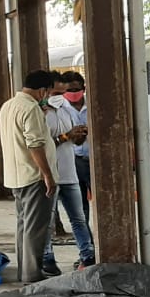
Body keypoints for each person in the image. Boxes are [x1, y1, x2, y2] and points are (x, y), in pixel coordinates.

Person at [0, 70, 58, 282]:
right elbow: (35, 144)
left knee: (23, 225)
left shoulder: (8, 105)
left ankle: (25, 271)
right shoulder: (30, 108)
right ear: (43, 90)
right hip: (34, 177)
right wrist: (47, 175)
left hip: (16, 176)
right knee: (36, 228)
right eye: (49, 93)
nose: (47, 97)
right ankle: (33, 274)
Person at [44, 71, 95, 270]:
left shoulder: (64, 108)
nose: (67, 95)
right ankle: (47, 258)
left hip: (70, 172)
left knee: (79, 217)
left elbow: (75, 139)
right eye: (61, 92)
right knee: (47, 219)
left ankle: (87, 255)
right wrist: (66, 136)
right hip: (51, 172)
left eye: (72, 90)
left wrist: (78, 135)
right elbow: (40, 145)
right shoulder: (40, 113)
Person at [59, 71, 90, 222]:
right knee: (80, 205)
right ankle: (88, 240)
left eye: (76, 90)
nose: (72, 93)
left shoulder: (93, 105)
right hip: (74, 160)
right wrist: (69, 135)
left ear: (83, 89)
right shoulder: (60, 109)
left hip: (93, 159)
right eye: (68, 90)